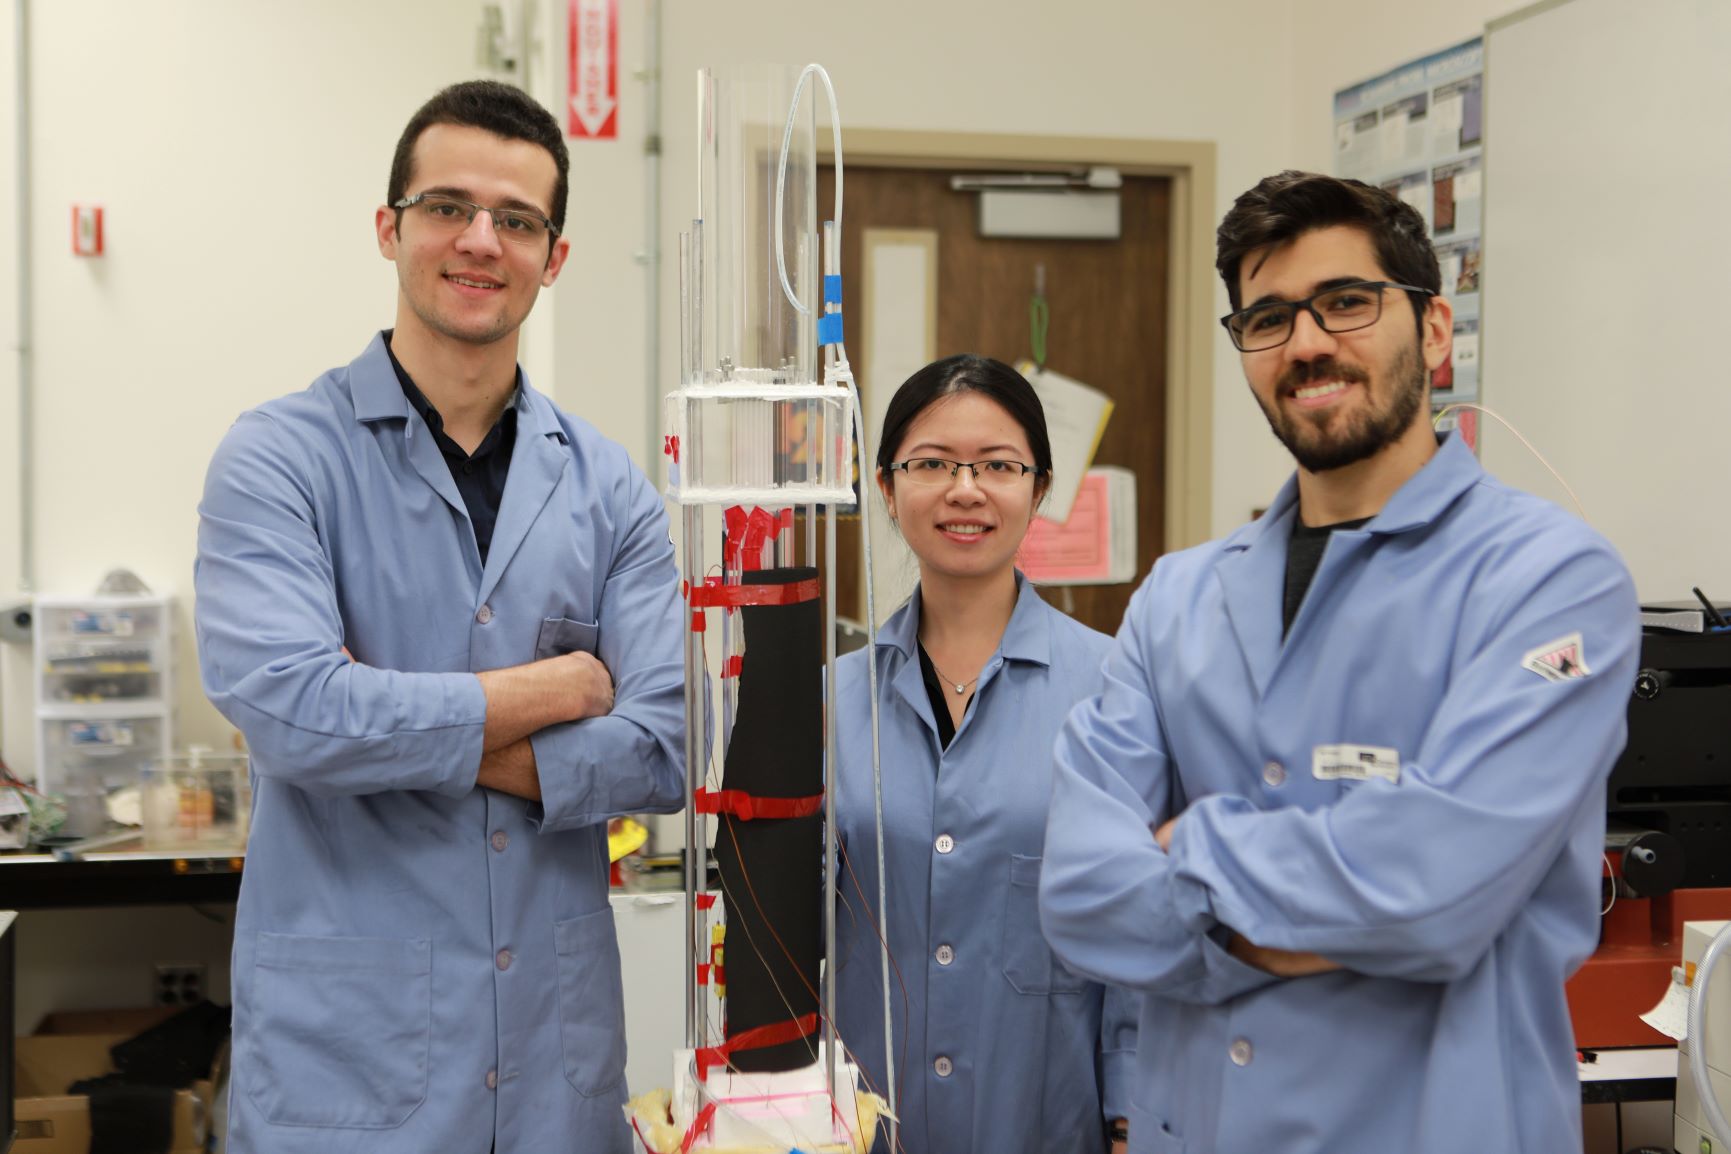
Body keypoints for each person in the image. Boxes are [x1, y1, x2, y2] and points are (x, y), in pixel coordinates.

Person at [1038, 171, 1639, 1154]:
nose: (1308, 341)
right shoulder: (1175, 599)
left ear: (1435, 329)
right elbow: (1078, 888)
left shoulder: (1551, 580)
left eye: (1347, 302)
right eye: (1267, 317)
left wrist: (1187, 849)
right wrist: (1339, 907)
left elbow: (1433, 895)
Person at [195, 81, 684, 1154]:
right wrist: (556, 694)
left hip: (556, 1062)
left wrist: (385, 717)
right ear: (391, 227)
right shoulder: (281, 460)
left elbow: (660, 751)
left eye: (517, 220)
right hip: (347, 1063)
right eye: (447, 206)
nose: (480, 240)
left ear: (553, 257)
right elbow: (293, 714)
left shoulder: (609, 489)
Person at [832, 355, 1136, 1154]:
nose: (964, 490)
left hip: (1047, 1121)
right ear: (887, 488)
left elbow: (1138, 930)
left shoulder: (1114, 690)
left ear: (1038, 490)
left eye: (997, 466)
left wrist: (1132, 1111)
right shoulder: (829, 700)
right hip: (861, 1127)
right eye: (931, 464)